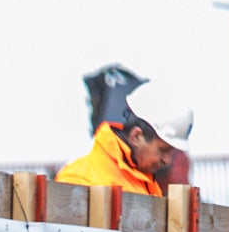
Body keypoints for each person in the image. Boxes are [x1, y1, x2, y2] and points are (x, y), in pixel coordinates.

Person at [57, 72, 193, 198]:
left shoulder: (147, 184)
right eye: (163, 150)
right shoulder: (79, 178)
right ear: (136, 136)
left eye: (171, 152)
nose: (167, 161)